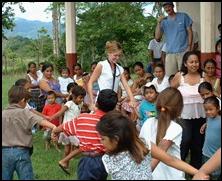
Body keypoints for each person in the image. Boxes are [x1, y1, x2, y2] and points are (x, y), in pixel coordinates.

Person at [96, 111, 198, 180]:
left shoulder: (144, 145)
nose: (101, 142)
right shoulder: (107, 159)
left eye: (103, 138)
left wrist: (197, 172)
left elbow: (171, 160)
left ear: (116, 139)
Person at [51, 89, 118, 180]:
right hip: (105, 161)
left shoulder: (83, 118)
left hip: (88, 161)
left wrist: (55, 132)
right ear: (114, 107)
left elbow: (63, 127)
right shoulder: (113, 123)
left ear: (97, 103)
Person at [2, 85, 56, 180]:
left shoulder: (3, 113)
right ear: (23, 101)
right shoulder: (25, 112)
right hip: (22, 152)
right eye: (27, 102)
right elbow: (41, 121)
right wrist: (54, 127)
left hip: (4, 153)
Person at [140, 87, 185, 179]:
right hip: (170, 175)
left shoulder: (147, 123)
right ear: (179, 108)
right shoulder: (176, 128)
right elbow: (159, 154)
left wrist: (143, 174)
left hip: (152, 174)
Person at [171, 51, 206, 169]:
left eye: (196, 62)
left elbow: (210, 94)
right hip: (183, 117)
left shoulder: (204, 76)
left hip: (201, 116)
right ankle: (178, 167)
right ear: (185, 63)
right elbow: (171, 93)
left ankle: (195, 169)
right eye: (191, 62)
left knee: (198, 143)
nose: (194, 64)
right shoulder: (179, 76)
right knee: (185, 141)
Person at [87, 40, 136, 111]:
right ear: (109, 53)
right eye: (115, 55)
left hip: (113, 101)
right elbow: (90, 83)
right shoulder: (101, 65)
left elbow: (126, 86)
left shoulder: (120, 68)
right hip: (102, 100)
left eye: (119, 55)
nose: (117, 58)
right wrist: (92, 102)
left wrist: (132, 99)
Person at [49, 85, 86, 172]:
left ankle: (65, 163)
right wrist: (50, 118)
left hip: (74, 129)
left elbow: (83, 107)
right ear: (73, 96)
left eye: (83, 98)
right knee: (74, 147)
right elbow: (60, 113)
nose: (82, 99)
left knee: (71, 147)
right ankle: (65, 163)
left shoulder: (80, 103)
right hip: (66, 129)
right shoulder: (69, 104)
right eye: (80, 98)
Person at [155, 2, 193, 76]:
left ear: (173, 6)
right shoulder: (163, 21)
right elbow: (157, 38)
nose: (167, 9)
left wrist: (189, 47)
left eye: (169, 6)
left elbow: (190, 32)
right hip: (170, 53)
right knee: (170, 76)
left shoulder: (183, 16)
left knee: (184, 75)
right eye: (165, 7)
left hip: (183, 51)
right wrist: (158, 23)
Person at [199, 96, 221, 180]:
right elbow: (210, 124)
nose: (208, 112)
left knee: (215, 175)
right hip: (205, 153)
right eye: (206, 110)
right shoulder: (209, 118)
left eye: (211, 109)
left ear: (218, 108)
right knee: (205, 174)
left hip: (215, 156)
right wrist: (204, 125)